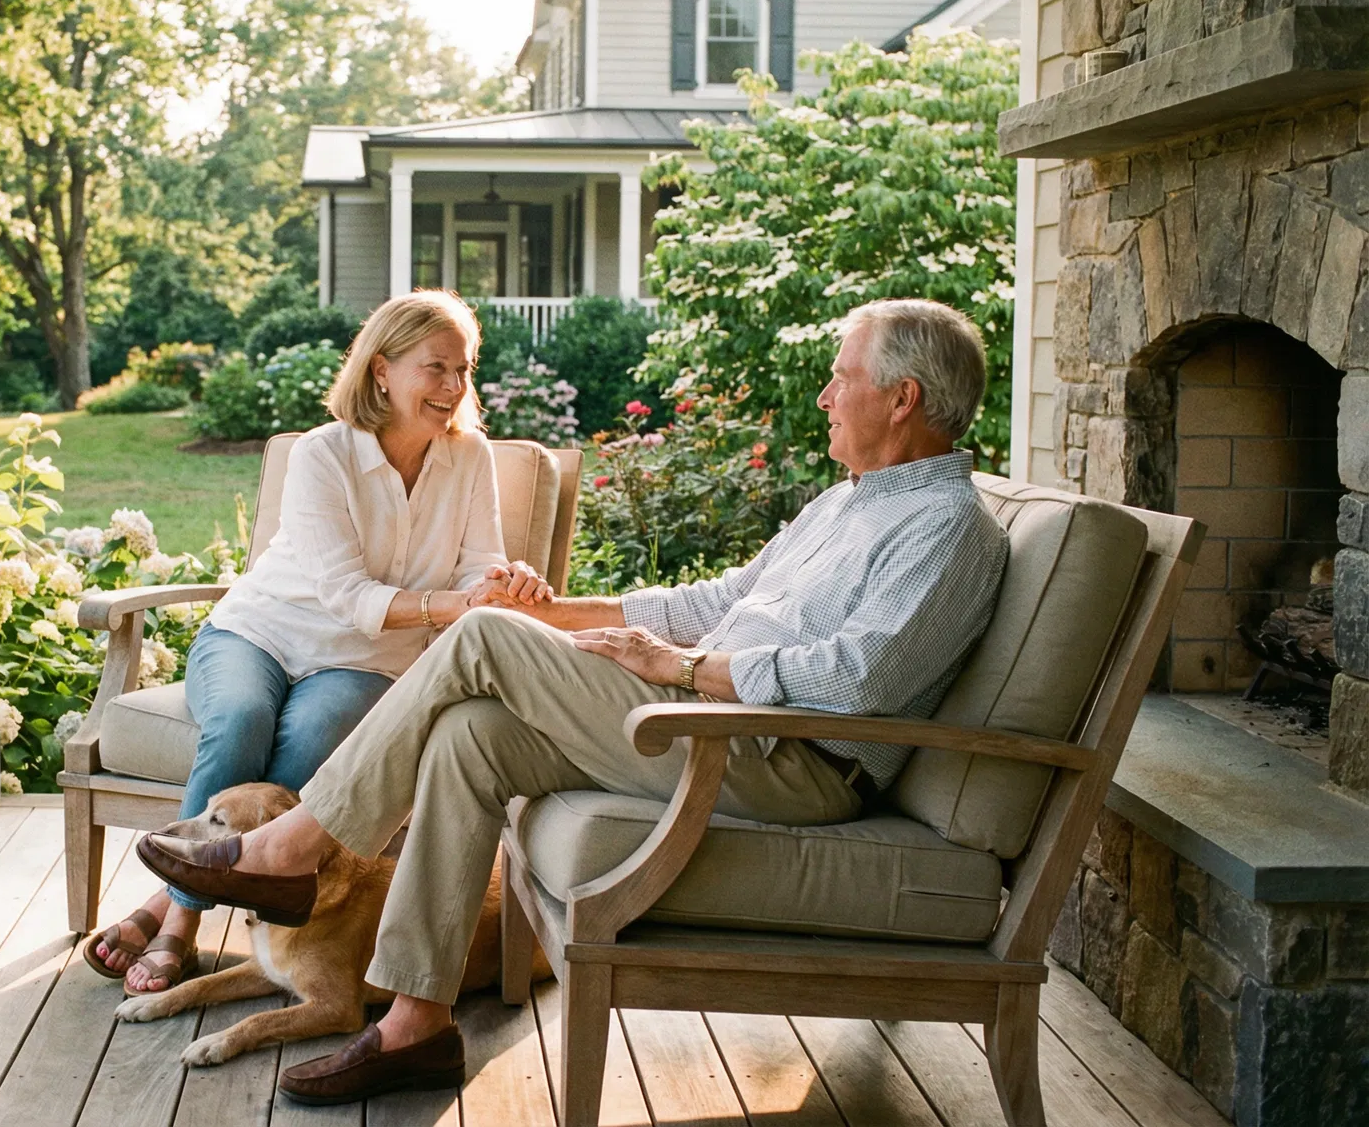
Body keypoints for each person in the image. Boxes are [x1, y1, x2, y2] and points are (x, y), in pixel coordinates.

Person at [137, 297, 1012, 1105]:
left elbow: (860, 682)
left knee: (479, 640)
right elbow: (717, 601)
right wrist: (551, 612)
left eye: (842, 377)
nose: (825, 395)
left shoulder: (949, 529)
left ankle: (291, 848)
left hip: (790, 760)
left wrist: (677, 670)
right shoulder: (843, 505)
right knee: (472, 734)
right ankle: (416, 1025)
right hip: (721, 726)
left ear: (902, 399)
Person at [87, 289, 550, 996]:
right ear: (381, 371)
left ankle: (162, 907)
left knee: (309, 744)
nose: (455, 387)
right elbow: (343, 593)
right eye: (436, 368)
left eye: (464, 369)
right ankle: (181, 921)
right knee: (241, 720)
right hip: (257, 632)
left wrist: (498, 583)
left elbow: (477, 560)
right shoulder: (322, 454)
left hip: (364, 660)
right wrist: (452, 603)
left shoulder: (470, 457)